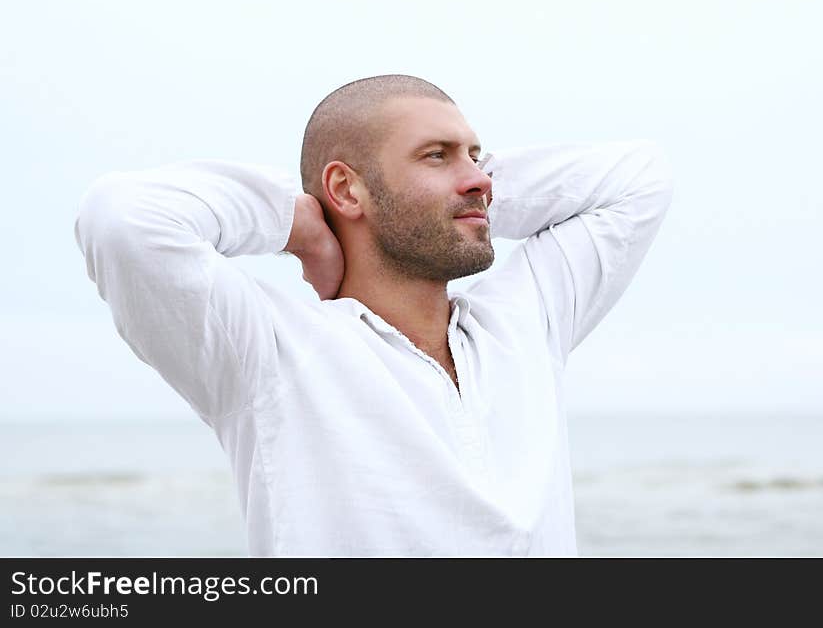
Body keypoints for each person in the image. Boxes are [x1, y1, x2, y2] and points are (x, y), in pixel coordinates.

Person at [74, 74, 674, 556]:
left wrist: (467, 193)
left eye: (477, 156)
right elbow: (123, 218)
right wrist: (299, 223)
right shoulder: (268, 351)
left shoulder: (525, 321)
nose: (480, 178)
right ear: (347, 189)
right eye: (436, 156)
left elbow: (640, 178)